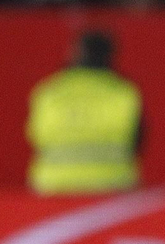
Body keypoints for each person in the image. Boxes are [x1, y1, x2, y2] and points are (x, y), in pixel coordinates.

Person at [26, 30, 142, 195]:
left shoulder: (49, 92)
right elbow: (138, 141)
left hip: (52, 187)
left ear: (73, 53)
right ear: (110, 55)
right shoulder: (123, 93)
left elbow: (35, 137)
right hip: (111, 187)